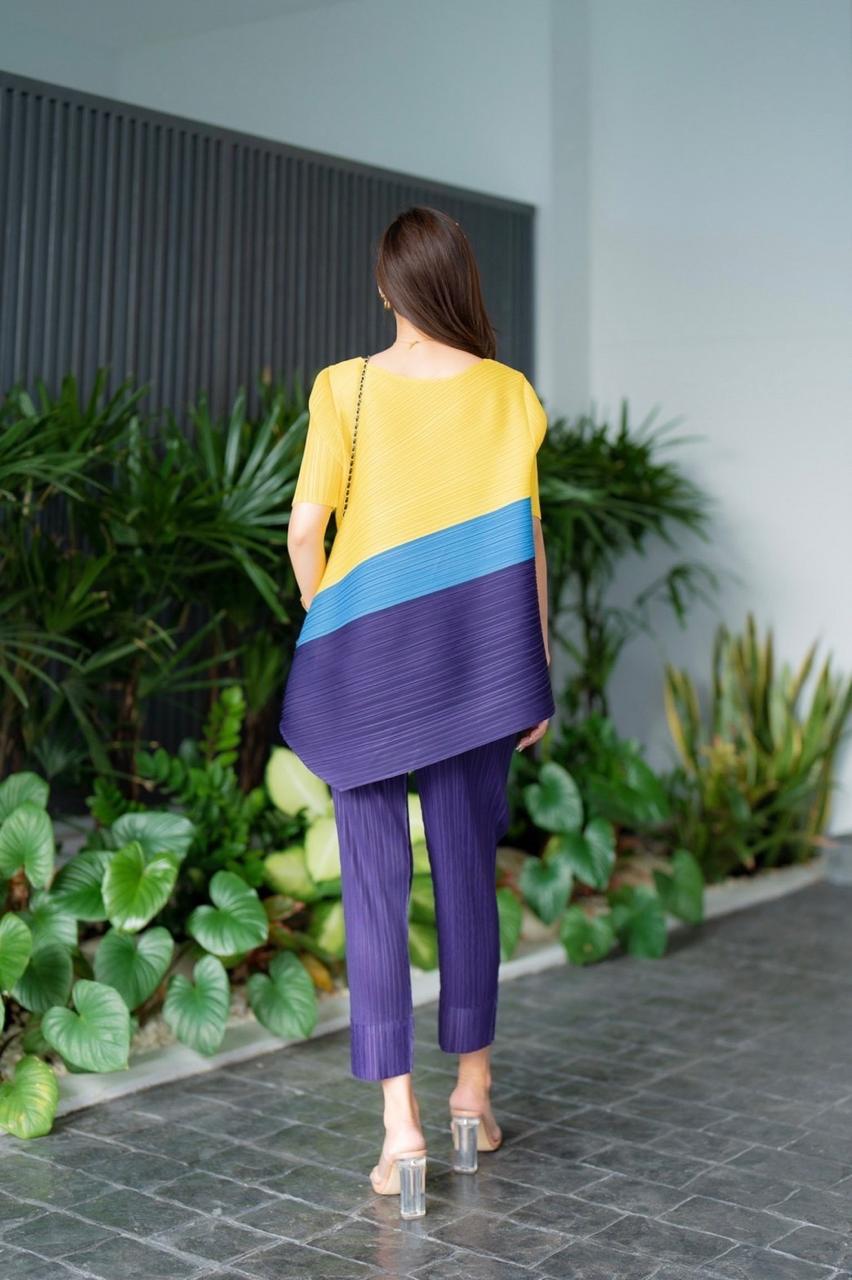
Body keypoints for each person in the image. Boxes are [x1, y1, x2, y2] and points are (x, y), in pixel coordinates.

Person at [279, 204, 554, 1217]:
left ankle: (401, 1130)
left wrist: (334, 620)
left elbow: (304, 531)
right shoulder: (509, 395)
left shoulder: (343, 387)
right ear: (460, 284)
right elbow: (526, 539)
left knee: (373, 888)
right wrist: (536, 664)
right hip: (478, 674)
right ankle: (471, 1094)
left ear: (386, 289)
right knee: (468, 876)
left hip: (366, 676)